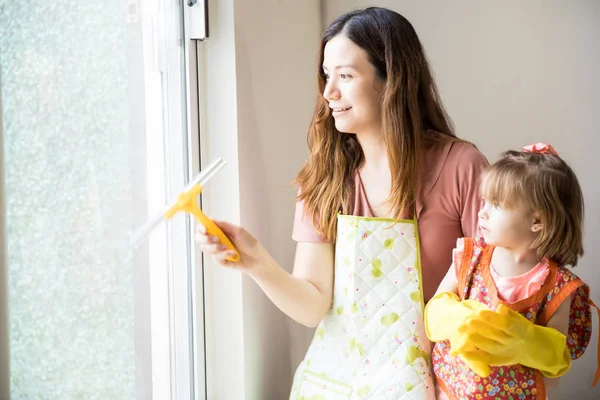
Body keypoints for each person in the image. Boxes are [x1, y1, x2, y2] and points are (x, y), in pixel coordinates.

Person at [197, 7, 488, 398]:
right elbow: (314, 305)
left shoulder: (461, 167)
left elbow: (494, 289)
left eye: (346, 76)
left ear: (392, 80)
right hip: (337, 384)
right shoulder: (324, 176)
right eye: (326, 75)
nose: (329, 92)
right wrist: (256, 261)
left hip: (441, 386)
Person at [425, 143, 598, 400]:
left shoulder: (559, 287)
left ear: (537, 221)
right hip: (448, 391)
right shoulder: (469, 257)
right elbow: (432, 312)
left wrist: (525, 339)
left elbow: (556, 360)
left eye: (496, 205)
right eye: (484, 201)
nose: (482, 213)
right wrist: (457, 319)